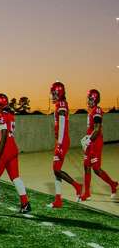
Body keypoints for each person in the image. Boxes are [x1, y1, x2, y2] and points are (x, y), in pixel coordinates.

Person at [47, 81, 81, 209]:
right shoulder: (60, 104)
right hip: (61, 140)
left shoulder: (61, 104)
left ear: (59, 93)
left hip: (63, 140)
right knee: (56, 170)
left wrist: (60, 143)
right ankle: (58, 200)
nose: (53, 95)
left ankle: (77, 186)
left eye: (54, 93)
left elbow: (61, 124)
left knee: (56, 169)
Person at [81, 88, 115, 200]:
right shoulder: (91, 111)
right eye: (88, 98)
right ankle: (87, 193)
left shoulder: (97, 110)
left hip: (95, 142)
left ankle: (112, 184)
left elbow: (97, 128)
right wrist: (87, 138)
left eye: (90, 98)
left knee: (96, 169)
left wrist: (89, 140)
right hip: (90, 140)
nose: (88, 100)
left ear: (95, 100)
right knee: (86, 166)